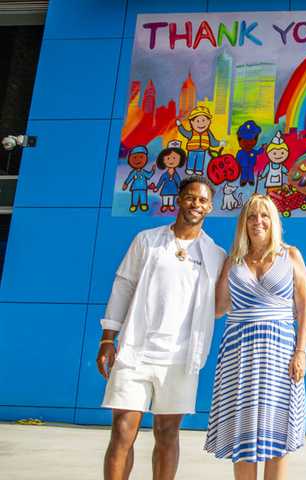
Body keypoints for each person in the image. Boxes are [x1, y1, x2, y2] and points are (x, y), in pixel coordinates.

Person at [96, 176, 226, 480]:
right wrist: (107, 337)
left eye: (203, 200)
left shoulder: (215, 255)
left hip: (181, 359)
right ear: (179, 199)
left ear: (210, 207)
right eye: (191, 197)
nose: (197, 205)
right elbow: (123, 287)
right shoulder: (147, 240)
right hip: (135, 352)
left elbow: (221, 305)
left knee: (167, 434)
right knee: (122, 431)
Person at [205, 194, 306, 480]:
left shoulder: (290, 255)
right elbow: (216, 309)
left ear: (274, 221)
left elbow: (304, 309)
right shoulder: (232, 261)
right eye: (251, 217)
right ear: (243, 223)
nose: (258, 222)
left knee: (276, 438)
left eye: (264, 215)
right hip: (238, 359)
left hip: (280, 358)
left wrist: (300, 352)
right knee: (243, 436)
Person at [177, 106, 223, 176]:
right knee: (191, 159)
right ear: (192, 122)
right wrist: (180, 126)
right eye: (197, 121)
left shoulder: (208, 133)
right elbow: (185, 133)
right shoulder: (192, 133)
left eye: (204, 120)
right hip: (192, 149)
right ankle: (190, 169)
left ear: (208, 122)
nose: (201, 124)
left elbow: (213, 142)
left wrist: (220, 143)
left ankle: (199, 170)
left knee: (200, 160)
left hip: (202, 150)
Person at [154, 140, 186, 213]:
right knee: (165, 197)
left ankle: (171, 205)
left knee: (171, 197)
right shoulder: (164, 174)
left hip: (173, 188)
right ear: (163, 160)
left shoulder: (176, 174)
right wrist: (157, 187)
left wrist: (180, 188)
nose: (171, 161)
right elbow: (161, 181)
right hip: (165, 188)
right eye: (168, 158)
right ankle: (165, 205)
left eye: (174, 158)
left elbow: (178, 181)